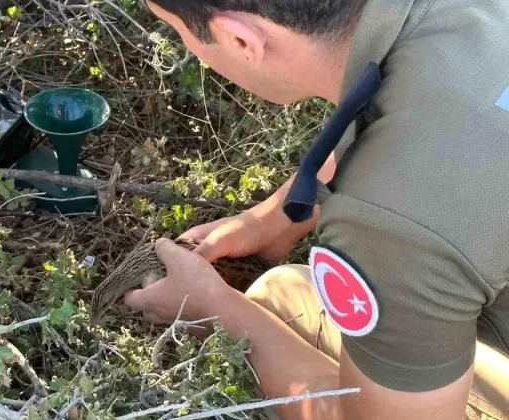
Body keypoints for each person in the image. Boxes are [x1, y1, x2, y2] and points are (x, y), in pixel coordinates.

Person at [122, 0, 509, 419]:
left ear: (241, 40)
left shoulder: (392, 226)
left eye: (178, 32)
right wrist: (275, 218)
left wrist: (218, 310)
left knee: (281, 298)